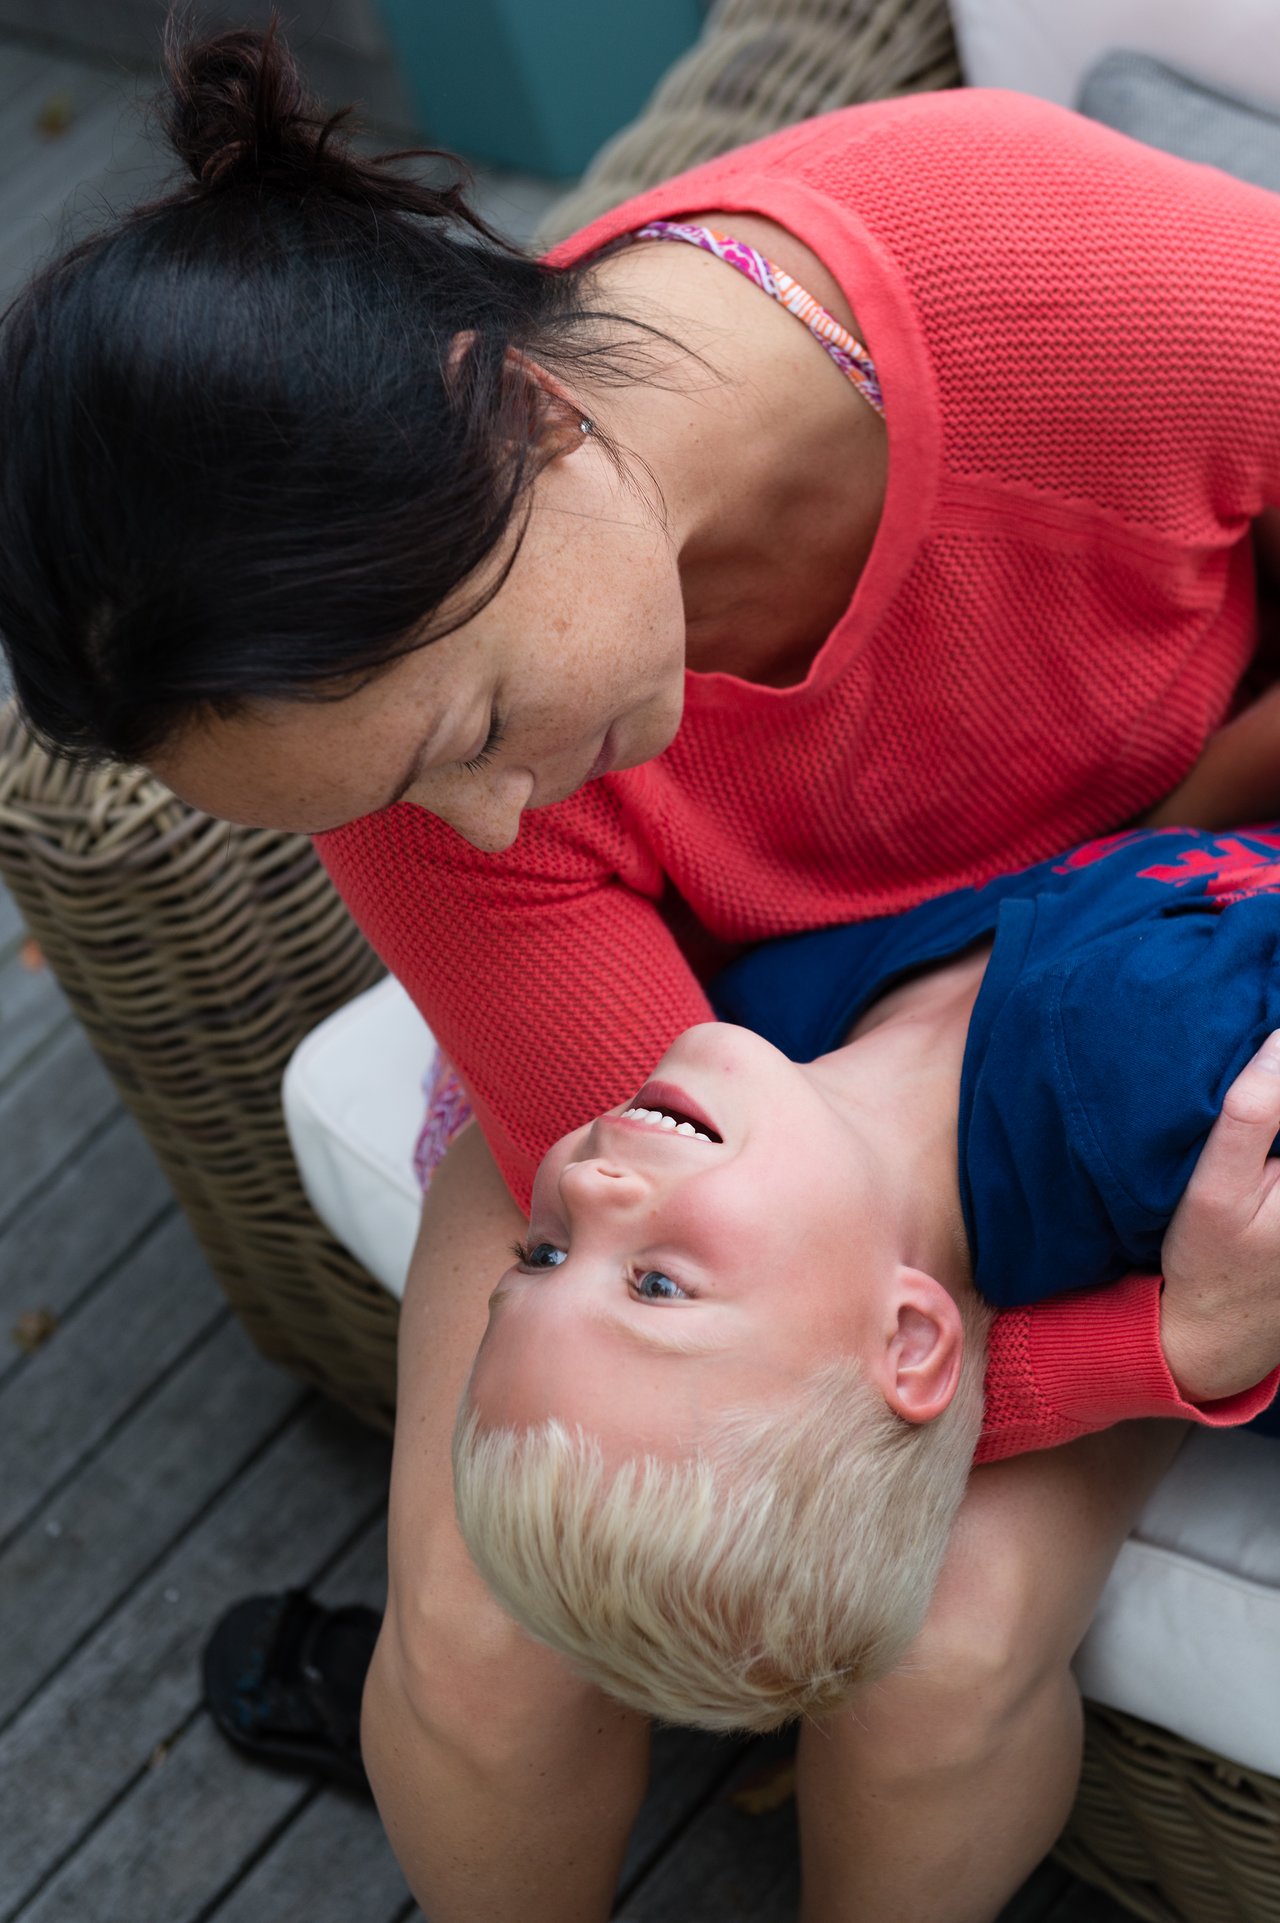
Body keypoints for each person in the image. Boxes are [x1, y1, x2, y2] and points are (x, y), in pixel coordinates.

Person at [4, 21, 1280, 1919]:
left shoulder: (1078, 279)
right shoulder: (441, 803)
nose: (487, 829)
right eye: (387, 794)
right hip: (717, 1070)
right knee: (487, 1635)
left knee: (943, 1658)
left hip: (1118, 1015)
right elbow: (682, 1205)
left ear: (511, 410)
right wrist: (1155, 1355)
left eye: (479, 719)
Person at [454, 821, 1280, 1736]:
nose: (579, 1185)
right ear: (909, 1340)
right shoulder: (1149, 1091)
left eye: (542, 1258)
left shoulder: (772, 1016)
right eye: (655, 1287)